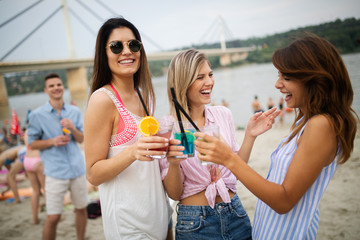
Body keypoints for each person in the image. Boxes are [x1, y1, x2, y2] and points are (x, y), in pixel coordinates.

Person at [194, 33, 358, 239]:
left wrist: (228, 158)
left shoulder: (321, 125)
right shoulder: (305, 120)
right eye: (279, 75)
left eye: (286, 78)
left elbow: (284, 200)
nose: (277, 84)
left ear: (315, 80)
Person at [160, 49, 279, 240]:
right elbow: (174, 194)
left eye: (210, 74)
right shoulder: (170, 127)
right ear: (183, 83)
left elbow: (236, 168)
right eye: (200, 77)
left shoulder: (223, 115)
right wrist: (173, 163)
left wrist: (250, 135)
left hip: (235, 213)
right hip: (195, 222)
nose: (209, 82)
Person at [84, 17, 173, 240]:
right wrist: (132, 152)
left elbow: (151, 167)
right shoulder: (102, 100)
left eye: (133, 45)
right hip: (129, 226)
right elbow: (93, 174)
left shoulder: (144, 95)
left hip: (161, 218)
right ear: (104, 54)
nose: (127, 52)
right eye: (116, 46)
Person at [27, 73, 88, 240]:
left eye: (59, 84)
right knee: (53, 217)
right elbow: (32, 144)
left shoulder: (74, 111)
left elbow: (81, 138)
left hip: (77, 169)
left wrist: (73, 129)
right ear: (46, 90)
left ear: (63, 87)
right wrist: (52, 141)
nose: (56, 88)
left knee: (81, 209)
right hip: (55, 172)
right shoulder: (37, 115)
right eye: (52, 86)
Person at [23, 130, 45, 224]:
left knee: (35, 191)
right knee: (46, 190)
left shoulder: (27, 131)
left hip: (27, 160)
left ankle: (35, 219)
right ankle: (50, 218)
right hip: (38, 160)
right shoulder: (39, 128)